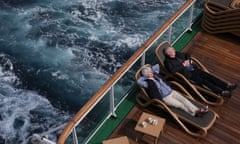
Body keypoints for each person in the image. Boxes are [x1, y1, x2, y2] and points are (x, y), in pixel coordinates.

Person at [137, 64, 208, 117]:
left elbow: (157, 66)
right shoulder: (147, 83)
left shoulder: (156, 75)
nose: (151, 73)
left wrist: (150, 70)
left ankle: (197, 111)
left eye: (151, 71)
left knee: (185, 100)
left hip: (172, 91)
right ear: (146, 75)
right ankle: (195, 113)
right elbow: (139, 81)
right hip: (165, 97)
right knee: (181, 105)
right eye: (149, 73)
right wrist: (145, 76)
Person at [163, 46, 237, 97]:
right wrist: (183, 65)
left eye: (172, 49)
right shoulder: (167, 62)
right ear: (168, 53)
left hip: (194, 69)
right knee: (205, 82)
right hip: (188, 75)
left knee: (210, 76)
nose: (173, 51)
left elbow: (187, 54)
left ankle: (227, 86)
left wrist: (188, 60)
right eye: (171, 51)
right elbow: (172, 71)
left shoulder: (177, 54)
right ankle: (221, 92)